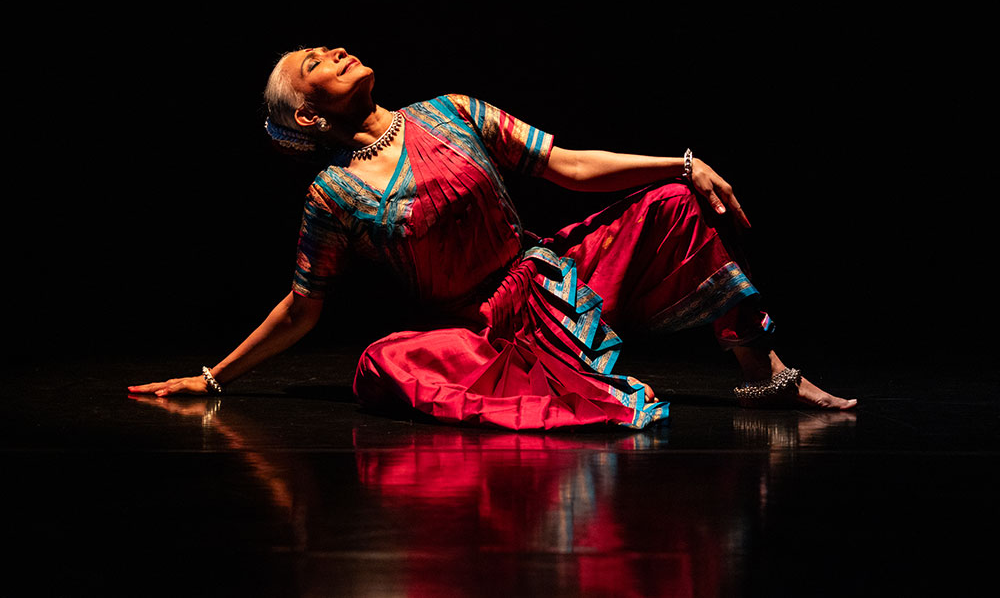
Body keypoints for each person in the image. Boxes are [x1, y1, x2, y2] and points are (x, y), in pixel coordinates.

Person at [129, 46, 857, 427]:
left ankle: (764, 376)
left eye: (327, 46)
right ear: (309, 118)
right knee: (384, 361)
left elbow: (568, 165)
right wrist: (216, 375)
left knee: (672, 201)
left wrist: (686, 162)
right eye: (313, 62)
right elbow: (301, 307)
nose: (335, 51)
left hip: (557, 271)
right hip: (488, 326)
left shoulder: (451, 110)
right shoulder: (334, 195)